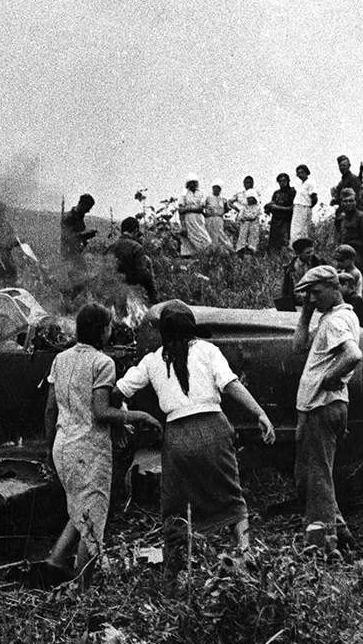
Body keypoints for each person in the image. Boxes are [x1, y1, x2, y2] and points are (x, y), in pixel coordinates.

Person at [116, 302, 275, 575]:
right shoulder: (207, 350)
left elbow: (118, 391)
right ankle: (244, 555)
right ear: (192, 328)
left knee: (175, 504)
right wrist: (260, 413)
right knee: (231, 496)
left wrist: (127, 418)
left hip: (177, 437)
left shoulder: (152, 360)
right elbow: (231, 384)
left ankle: (175, 569)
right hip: (214, 428)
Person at [39, 303, 161, 586]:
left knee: (81, 506)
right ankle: (85, 589)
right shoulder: (102, 363)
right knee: (94, 519)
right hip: (89, 448)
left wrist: (48, 449)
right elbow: (101, 411)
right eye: (108, 326)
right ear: (102, 330)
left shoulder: (61, 359)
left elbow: (49, 410)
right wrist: (140, 415)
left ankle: (56, 561)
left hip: (62, 444)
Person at [292, 266, 362, 553]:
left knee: (317, 475)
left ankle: (322, 545)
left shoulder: (335, 321)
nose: (311, 298)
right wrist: (307, 312)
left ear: (334, 288)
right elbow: (298, 347)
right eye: (307, 294)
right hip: (318, 406)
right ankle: (340, 531)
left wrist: (329, 379)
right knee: (312, 473)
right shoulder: (333, 317)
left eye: (316, 292)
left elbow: (352, 355)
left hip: (323, 406)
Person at [108, 217, 158, 304]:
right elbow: (143, 274)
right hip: (131, 294)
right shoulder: (136, 248)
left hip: (112, 292)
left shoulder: (111, 247)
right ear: (135, 230)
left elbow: (105, 270)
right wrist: (152, 295)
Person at [335, 188, 363, 278]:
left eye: (351, 201)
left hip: (357, 259)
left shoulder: (362, 218)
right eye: (345, 201)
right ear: (341, 203)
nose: (348, 204)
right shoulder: (341, 219)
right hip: (343, 259)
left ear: (356, 202)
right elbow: (340, 239)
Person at [280, 238, 326, 305]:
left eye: (312, 251)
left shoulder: (319, 262)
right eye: (308, 253)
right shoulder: (290, 269)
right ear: (298, 253)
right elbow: (285, 291)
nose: (311, 254)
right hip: (298, 304)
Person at [177, 176, 211, 256]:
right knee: (189, 238)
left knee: (204, 238)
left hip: (198, 218)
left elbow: (201, 208)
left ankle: (204, 253)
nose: (192, 184)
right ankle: (191, 256)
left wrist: (187, 208)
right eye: (190, 182)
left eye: (194, 182)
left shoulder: (201, 193)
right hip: (188, 219)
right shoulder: (184, 194)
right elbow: (181, 210)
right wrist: (183, 225)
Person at [264, 173, 297, 254]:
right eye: (280, 181)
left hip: (287, 220)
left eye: (284, 180)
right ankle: (273, 262)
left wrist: (277, 208)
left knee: (285, 242)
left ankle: (285, 260)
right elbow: (271, 203)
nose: (282, 183)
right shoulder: (276, 193)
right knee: (274, 242)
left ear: (288, 181)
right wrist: (268, 207)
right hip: (275, 220)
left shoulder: (292, 192)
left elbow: (293, 207)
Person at [290, 164, 318, 245]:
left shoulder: (310, 183)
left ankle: (303, 247)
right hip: (297, 207)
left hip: (304, 207)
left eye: (302, 172)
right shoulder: (299, 183)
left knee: (303, 230)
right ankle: (294, 248)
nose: (300, 175)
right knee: (295, 230)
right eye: (298, 173)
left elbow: (314, 198)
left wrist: (308, 207)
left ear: (306, 172)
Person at [205, 182, 231, 249]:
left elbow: (227, 209)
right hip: (209, 218)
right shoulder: (208, 198)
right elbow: (202, 207)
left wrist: (221, 212)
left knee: (220, 234)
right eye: (215, 187)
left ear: (220, 189)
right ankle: (212, 251)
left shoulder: (223, 199)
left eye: (218, 188)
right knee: (210, 235)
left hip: (219, 218)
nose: (216, 189)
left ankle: (228, 249)